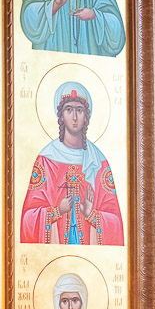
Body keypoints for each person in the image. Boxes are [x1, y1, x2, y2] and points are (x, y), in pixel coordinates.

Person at [18, 81, 123, 245]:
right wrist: (57, 211)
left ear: (86, 116)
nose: (74, 117)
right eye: (69, 110)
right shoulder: (46, 160)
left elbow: (115, 221)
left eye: (79, 110)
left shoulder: (98, 162)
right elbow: (27, 219)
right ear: (61, 115)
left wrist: (91, 215)